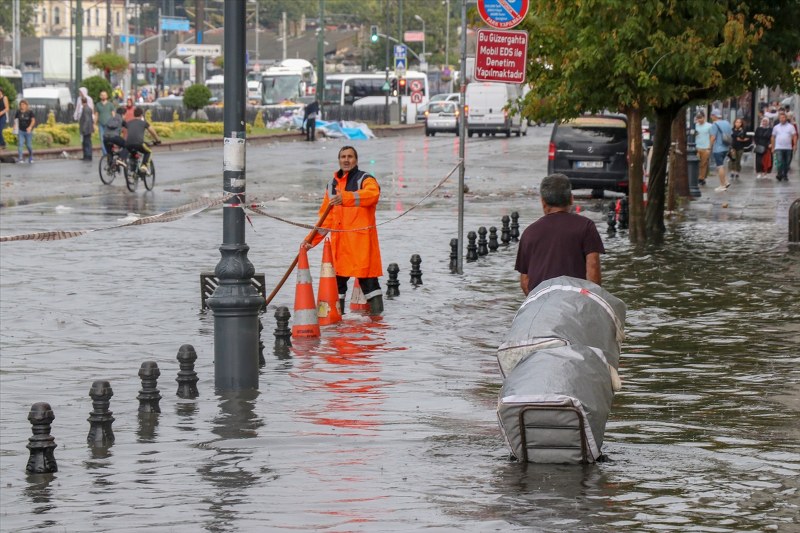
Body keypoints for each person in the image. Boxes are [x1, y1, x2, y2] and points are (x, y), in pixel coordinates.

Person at [305, 145, 384, 315]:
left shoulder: (365, 179)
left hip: (361, 245)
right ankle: (335, 327)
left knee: (370, 285)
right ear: (339, 160)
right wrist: (310, 241)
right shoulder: (332, 184)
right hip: (340, 247)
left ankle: (376, 327)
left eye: (350, 156)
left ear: (356, 160)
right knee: (336, 289)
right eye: (343, 157)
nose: (346, 160)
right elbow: (326, 220)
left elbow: (373, 194)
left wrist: (346, 198)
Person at [515, 173, 604, 296]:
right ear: (571, 199)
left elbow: (525, 282)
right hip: (576, 305)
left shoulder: (529, 233)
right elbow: (593, 268)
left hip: (542, 306)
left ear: (543, 202)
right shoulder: (586, 227)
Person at [124, 106, 161, 175]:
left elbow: (125, 131)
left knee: (133, 154)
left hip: (128, 144)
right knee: (148, 152)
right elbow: (152, 132)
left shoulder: (128, 123)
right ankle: (144, 166)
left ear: (134, 114)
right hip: (139, 143)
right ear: (141, 115)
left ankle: (132, 170)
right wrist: (158, 140)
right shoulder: (144, 123)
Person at [770, 110, 797, 182]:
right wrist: (773, 147)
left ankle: (785, 174)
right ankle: (779, 173)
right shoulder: (776, 127)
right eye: (781, 118)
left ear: (786, 118)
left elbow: (794, 136)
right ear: (779, 119)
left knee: (787, 162)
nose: (782, 119)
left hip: (788, 147)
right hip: (779, 147)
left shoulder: (791, 127)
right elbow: (773, 137)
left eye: (783, 117)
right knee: (779, 161)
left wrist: (795, 145)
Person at [709, 109, 732, 192]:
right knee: (722, 165)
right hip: (726, 147)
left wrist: (709, 147)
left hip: (718, 148)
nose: (711, 117)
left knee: (720, 166)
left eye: (711, 115)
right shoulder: (727, 123)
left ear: (714, 116)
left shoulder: (715, 124)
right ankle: (725, 182)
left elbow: (713, 137)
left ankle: (722, 185)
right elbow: (730, 134)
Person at [74, 87, 95, 161]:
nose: (80, 94)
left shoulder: (87, 103)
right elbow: (77, 108)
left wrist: (84, 128)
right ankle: (86, 155)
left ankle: (88, 155)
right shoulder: (79, 99)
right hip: (83, 122)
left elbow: (88, 118)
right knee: (84, 141)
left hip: (86, 126)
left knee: (87, 141)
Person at [693, 111, 712, 185]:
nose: (699, 120)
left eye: (700, 118)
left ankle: (701, 178)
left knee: (703, 164)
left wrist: (709, 147)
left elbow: (711, 136)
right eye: (698, 118)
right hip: (697, 147)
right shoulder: (695, 126)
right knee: (696, 163)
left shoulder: (709, 126)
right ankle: (697, 176)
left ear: (704, 117)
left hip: (705, 147)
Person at [94, 90, 115, 156]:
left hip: (109, 125)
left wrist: (114, 123)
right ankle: (105, 153)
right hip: (101, 124)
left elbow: (113, 114)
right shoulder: (98, 105)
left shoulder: (110, 104)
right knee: (102, 139)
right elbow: (96, 115)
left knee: (109, 139)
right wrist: (94, 123)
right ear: (100, 96)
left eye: (104, 95)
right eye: (102, 95)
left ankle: (110, 152)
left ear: (107, 96)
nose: (103, 96)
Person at [15, 99, 36, 163]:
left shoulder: (30, 112)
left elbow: (33, 120)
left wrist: (30, 127)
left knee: (28, 145)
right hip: (21, 131)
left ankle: (31, 156)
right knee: (20, 144)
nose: (22, 106)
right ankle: (20, 158)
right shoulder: (18, 112)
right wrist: (15, 126)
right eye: (21, 104)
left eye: (23, 104)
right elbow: (16, 120)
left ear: (26, 105)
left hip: (28, 131)